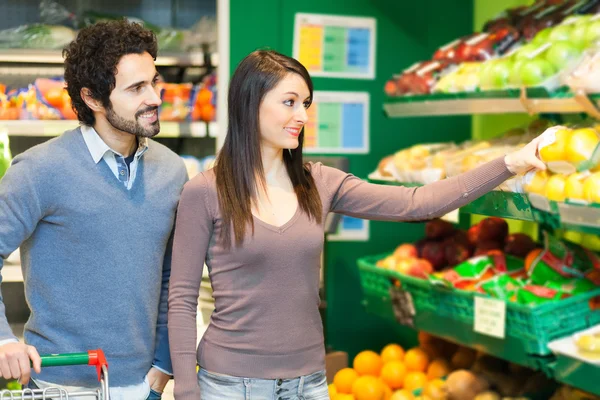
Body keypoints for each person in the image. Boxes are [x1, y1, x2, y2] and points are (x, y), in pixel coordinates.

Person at [168, 50, 546, 399]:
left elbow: (418, 202)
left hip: (309, 383)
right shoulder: (204, 192)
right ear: (250, 104)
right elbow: (182, 298)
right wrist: (186, 388)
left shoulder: (320, 182)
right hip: (231, 385)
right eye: (289, 102)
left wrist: (510, 163)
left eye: (305, 104)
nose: (302, 115)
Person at [0, 20, 188, 400]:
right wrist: (3, 340)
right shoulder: (39, 169)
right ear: (92, 98)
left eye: (154, 81)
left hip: (142, 388)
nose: (154, 97)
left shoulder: (171, 171)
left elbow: (174, 275)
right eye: (136, 88)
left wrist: (163, 367)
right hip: (58, 386)